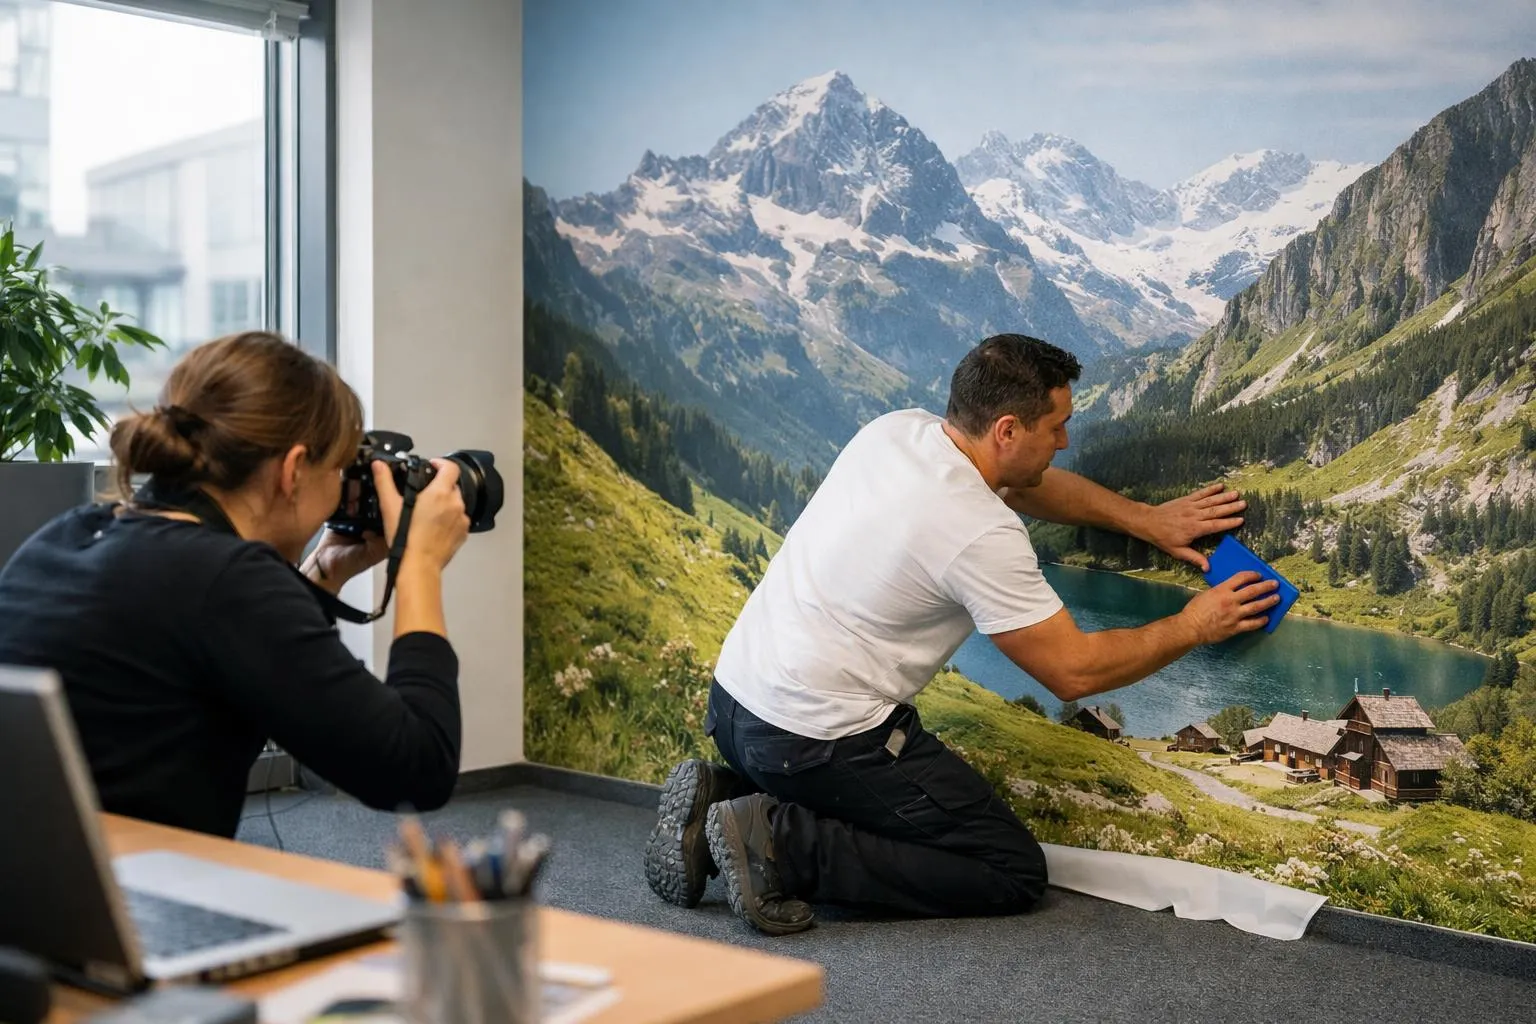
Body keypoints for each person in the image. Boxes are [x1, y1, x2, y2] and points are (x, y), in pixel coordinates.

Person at [643, 333, 1279, 935]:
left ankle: (724, 798)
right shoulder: (978, 530)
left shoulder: (899, 431)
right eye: (1056, 426)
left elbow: (1021, 486)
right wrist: (1195, 623)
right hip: (809, 740)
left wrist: (1144, 519)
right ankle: (779, 844)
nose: (1064, 441)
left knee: (892, 806)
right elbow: (1074, 670)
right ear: (1007, 430)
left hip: (735, 707)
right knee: (1006, 868)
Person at [0, 331, 471, 838]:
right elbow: (417, 768)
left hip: (42, 876)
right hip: (138, 884)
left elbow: (239, 649)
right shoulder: (230, 580)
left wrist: (323, 571)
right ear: (293, 470)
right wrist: (419, 564)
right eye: (338, 468)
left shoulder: (68, 535)